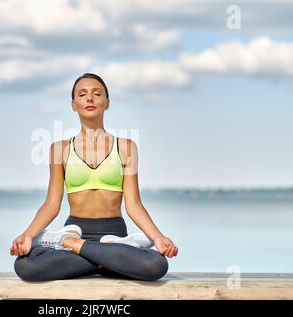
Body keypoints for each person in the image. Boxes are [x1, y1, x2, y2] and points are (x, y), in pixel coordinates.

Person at [10, 73, 178, 282]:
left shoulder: (126, 147)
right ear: (74, 105)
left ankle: (80, 249)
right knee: (25, 266)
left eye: (97, 94)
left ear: (107, 103)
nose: (90, 98)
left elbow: (133, 205)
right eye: (83, 94)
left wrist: (158, 237)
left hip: (113, 234)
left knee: (157, 265)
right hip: (75, 230)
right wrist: (27, 235)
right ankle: (106, 257)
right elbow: (52, 204)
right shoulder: (59, 149)